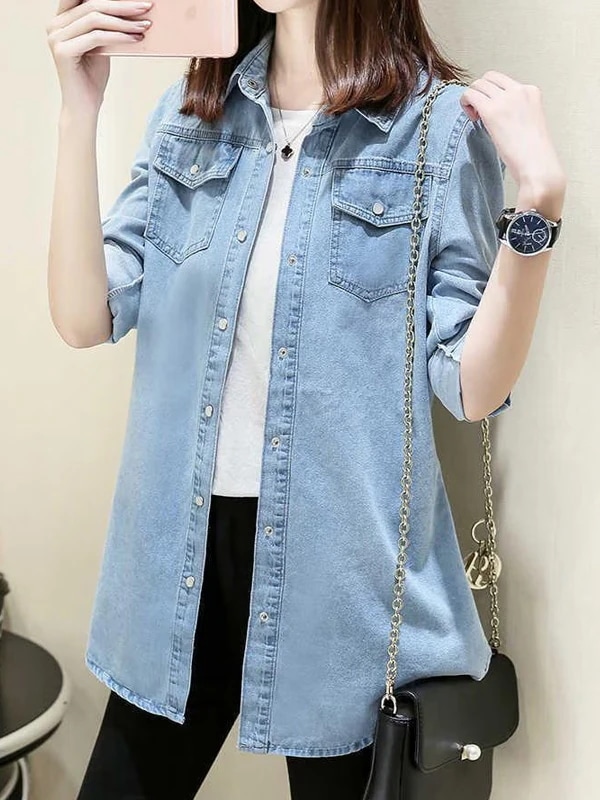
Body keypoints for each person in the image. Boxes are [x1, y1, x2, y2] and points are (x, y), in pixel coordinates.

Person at [46, 1, 566, 798]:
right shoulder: (192, 116)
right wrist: (78, 110)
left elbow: (470, 387)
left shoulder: (438, 130)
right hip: (180, 569)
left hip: (345, 591)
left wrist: (539, 207)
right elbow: (85, 317)